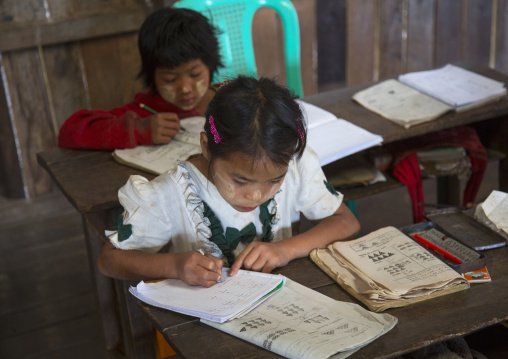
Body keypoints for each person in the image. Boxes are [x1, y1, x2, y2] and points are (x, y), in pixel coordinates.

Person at [98, 76, 360, 287]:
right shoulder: (170, 193)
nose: (257, 196)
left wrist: (285, 250)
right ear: (207, 148)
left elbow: (346, 222)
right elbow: (109, 259)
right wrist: (174, 265)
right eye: (241, 180)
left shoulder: (295, 166)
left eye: (275, 180)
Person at [58, 7, 223, 150]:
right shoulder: (145, 111)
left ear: (210, 65)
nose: (185, 88)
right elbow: (69, 131)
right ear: (152, 76)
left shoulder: (228, 96)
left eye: (195, 74)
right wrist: (138, 130)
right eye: (169, 79)